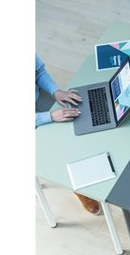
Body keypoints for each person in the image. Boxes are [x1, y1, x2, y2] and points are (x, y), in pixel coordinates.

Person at [35, 53, 100, 215]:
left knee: (78, 118)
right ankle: (79, 187)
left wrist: (55, 91)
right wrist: (50, 116)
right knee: (59, 150)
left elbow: (39, 71)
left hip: (37, 98)